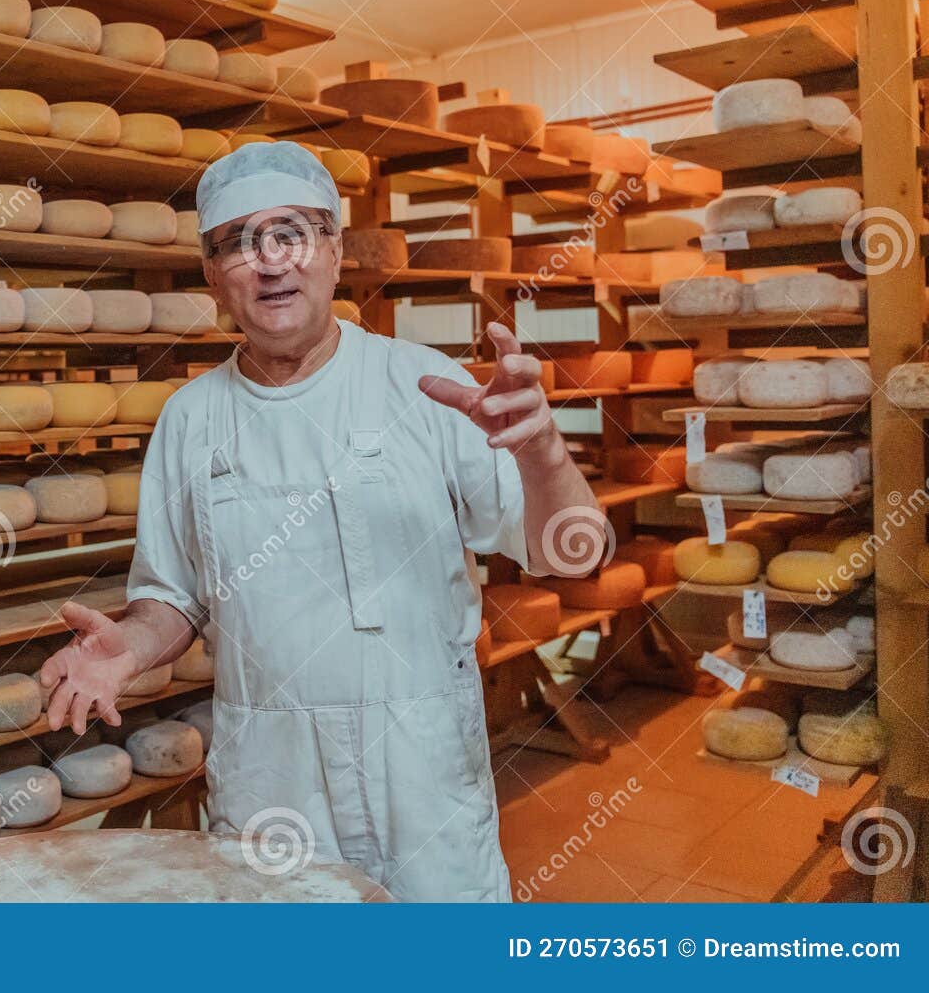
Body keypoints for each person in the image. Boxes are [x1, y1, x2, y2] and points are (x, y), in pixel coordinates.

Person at [38, 141, 606, 900]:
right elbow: (174, 598)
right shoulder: (190, 421)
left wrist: (541, 450)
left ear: (335, 249)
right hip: (274, 783)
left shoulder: (422, 384)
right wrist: (130, 648)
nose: (269, 261)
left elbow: (570, 555)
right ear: (212, 275)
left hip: (424, 778)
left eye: (293, 233)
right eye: (238, 242)